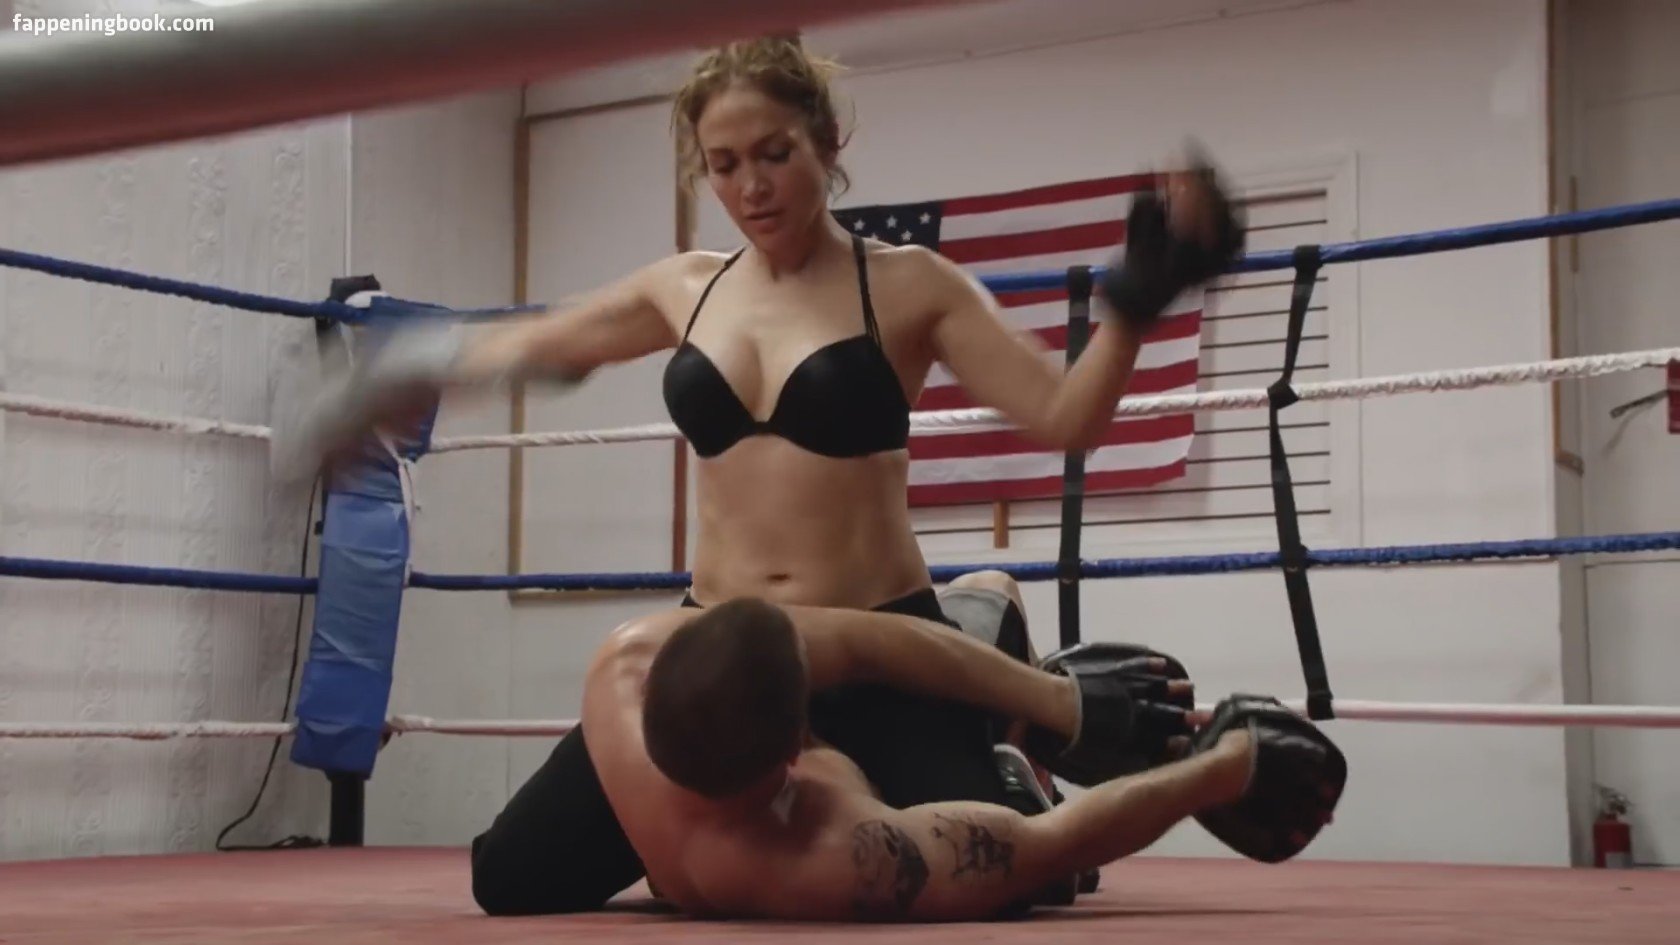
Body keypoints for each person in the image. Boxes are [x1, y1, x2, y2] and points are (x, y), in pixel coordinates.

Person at [271, 37, 1246, 915]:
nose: (752, 187)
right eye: (725, 164)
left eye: (774, 153)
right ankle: (967, 656)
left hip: (881, 644)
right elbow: (540, 344)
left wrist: (1135, 302)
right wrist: (405, 373)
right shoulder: (684, 287)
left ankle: (987, 697)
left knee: (1015, 881)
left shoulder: (909, 284)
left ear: (826, 140)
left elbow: (1065, 418)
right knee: (510, 878)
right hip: (725, 660)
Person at [580, 590, 1345, 922]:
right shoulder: (836, 856)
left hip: (761, 764)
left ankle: (1011, 666)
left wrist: (1059, 701)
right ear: (791, 749)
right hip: (833, 793)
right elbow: (1054, 841)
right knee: (1032, 887)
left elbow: (873, 641)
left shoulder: (622, 662)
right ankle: (1011, 734)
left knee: (917, 630)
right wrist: (1226, 765)